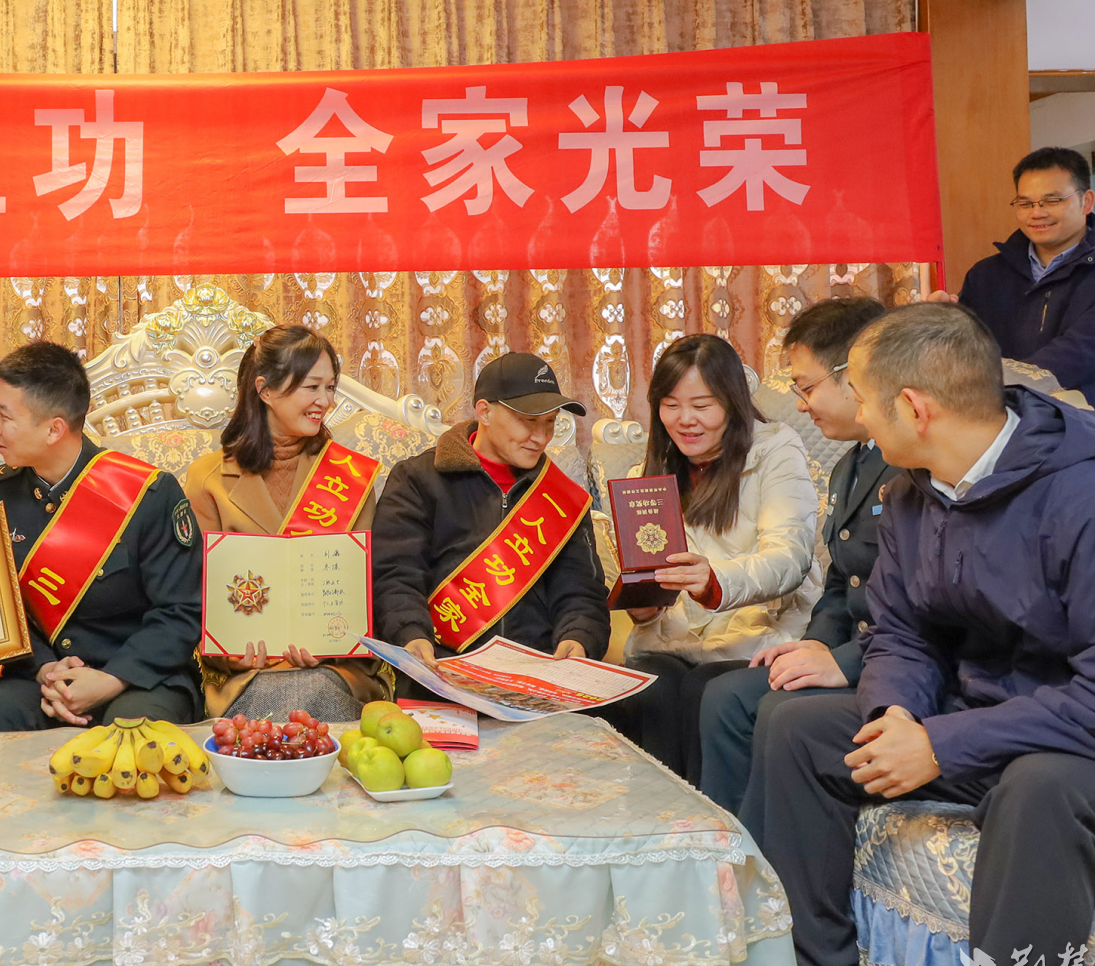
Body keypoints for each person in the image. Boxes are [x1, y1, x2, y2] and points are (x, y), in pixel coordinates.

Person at [756, 304, 1095, 966]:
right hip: (990, 721)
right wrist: (896, 716)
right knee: (799, 728)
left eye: (865, 399)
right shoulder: (915, 493)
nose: (858, 419)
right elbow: (904, 632)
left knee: (1040, 790)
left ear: (915, 408)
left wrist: (941, 745)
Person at [698, 298, 897, 819]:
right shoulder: (849, 467)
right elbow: (840, 585)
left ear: (855, 372)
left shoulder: (910, 466)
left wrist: (840, 661)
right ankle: (729, 846)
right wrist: (813, 646)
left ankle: (763, 849)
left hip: (890, 662)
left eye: (806, 388)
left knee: (777, 710)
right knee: (725, 697)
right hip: (852, 649)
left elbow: (918, 609)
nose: (802, 405)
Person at [0, 341, 204, 732]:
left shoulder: (148, 494)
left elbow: (182, 610)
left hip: (139, 675)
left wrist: (113, 678)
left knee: (132, 728)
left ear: (54, 429)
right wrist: (46, 669)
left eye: (4, 416)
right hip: (44, 674)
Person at [619, 334, 820, 778]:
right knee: (647, 686)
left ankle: (711, 815)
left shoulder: (774, 450)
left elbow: (789, 556)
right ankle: (660, 814)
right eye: (670, 405)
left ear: (731, 402)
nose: (685, 419)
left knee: (707, 688)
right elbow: (648, 587)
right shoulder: (645, 473)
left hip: (760, 630)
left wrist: (715, 581)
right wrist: (643, 605)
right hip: (675, 638)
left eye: (702, 405)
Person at [182, 326, 392, 721]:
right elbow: (192, 594)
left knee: (313, 691)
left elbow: (368, 590)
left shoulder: (348, 476)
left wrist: (331, 645)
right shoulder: (208, 478)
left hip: (334, 668)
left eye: (330, 388)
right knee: (276, 703)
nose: (325, 401)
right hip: (248, 674)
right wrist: (231, 656)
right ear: (265, 390)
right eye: (312, 387)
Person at [373, 352, 609, 680]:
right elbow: (395, 575)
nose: (541, 437)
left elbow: (582, 590)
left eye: (550, 423)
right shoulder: (417, 479)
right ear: (484, 411)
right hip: (441, 666)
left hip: (539, 670)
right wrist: (411, 634)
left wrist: (578, 637)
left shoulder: (560, 497)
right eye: (528, 421)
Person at [949, 146, 1095, 448]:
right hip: (1004, 440)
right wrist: (939, 321)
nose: (1037, 213)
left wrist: (996, 388)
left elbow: (1087, 351)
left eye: (1052, 200)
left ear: (1087, 201)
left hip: (1091, 442)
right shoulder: (986, 275)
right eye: (1025, 203)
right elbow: (965, 350)